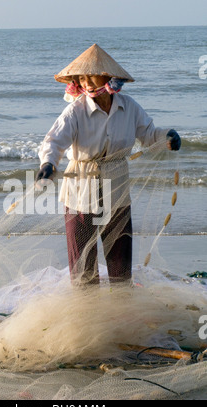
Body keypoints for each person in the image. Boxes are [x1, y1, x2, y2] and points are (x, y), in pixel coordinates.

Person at [36, 44, 181, 287]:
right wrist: (48, 163)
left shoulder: (129, 107)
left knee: (119, 254)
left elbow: (148, 135)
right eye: (81, 78)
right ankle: (87, 308)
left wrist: (167, 136)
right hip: (82, 188)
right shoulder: (75, 112)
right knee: (82, 258)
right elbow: (54, 142)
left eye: (91, 76)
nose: (87, 83)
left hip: (117, 185)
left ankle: (120, 305)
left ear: (108, 78)